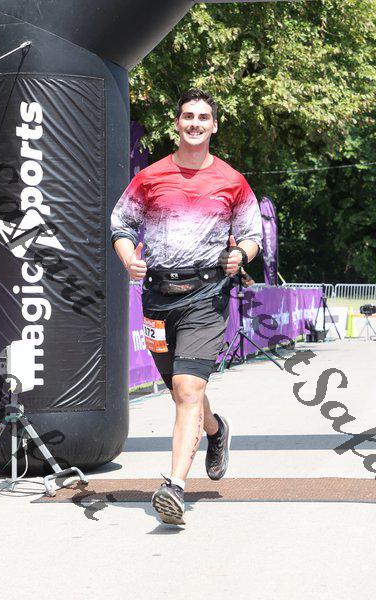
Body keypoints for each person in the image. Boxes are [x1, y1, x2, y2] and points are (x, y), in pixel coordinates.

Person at [110, 89, 262, 525]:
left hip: (206, 297)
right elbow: (121, 224)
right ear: (177, 124)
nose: (195, 123)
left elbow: (251, 234)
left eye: (203, 117)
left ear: (214, 126)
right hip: (158, 298)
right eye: (188, 116)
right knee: (182, 390)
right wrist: (128, 258)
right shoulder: (151, 177)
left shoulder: (232, 180)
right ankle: (216, 430)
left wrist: (241, 255)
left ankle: (174, 487)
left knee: (188, 390)